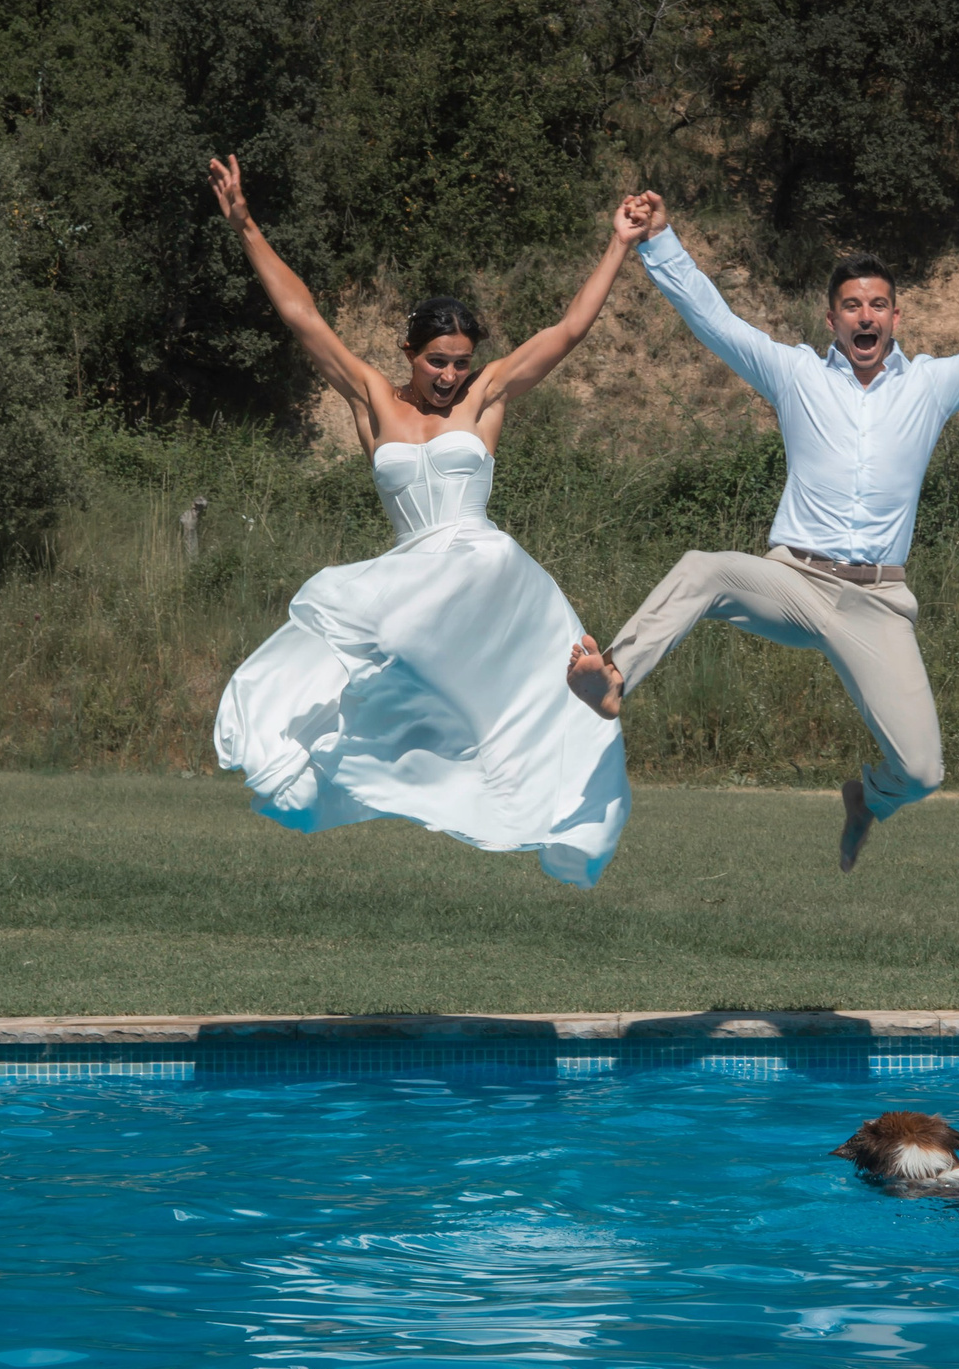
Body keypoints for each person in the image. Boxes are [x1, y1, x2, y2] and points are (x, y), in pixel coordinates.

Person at [569, 192, 959, 871]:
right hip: (794, 581)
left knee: (924, 771)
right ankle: (614, 676)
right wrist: (659, 241)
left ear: (896, 316)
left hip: (877, 602)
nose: (865, 316)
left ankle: (868, 799)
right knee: (704, 567)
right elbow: (715, 320)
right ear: (832, 319)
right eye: (851, 306)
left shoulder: (930, 386)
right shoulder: (796, 375)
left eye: (877, 305)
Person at [207, 156, 639, 887]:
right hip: (413, 574)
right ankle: (371, 760)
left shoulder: (486, 397)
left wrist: (619, 243)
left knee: (483, 616)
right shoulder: (374, 399)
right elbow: (303, 318)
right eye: (437, 361)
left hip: (483, 570)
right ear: (410, 353)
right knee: (373, 660)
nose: (449, 376)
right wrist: (246, 225)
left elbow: (567, 331)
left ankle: (580, 712)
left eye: (461, 363)